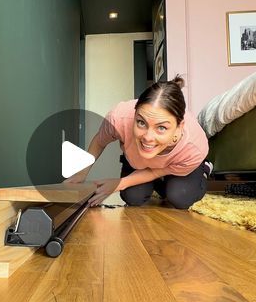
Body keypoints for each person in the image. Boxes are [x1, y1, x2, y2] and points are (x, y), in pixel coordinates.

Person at [66, 75, 211, 209]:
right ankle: (160, 185)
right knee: (133, 196)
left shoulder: (194, 149)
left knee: (180, 197)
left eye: (161, 127)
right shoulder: (119, 118)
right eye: (141, 122)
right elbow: (99, 141)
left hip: (175, 164)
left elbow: (156, 171)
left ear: (179, 128)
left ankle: (204, 170)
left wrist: (117, 184)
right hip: (140, 161)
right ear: (134, 114)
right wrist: (81, 173)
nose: (148, 137)